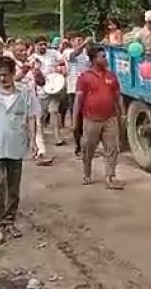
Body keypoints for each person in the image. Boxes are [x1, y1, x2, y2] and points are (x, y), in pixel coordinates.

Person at [0, 56, 41, 243]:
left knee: (13, 188)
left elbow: (31, 118)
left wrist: (34, 141)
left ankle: (9, 221)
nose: (2, 79)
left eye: (6, 75)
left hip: (16, 146)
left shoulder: (25, 92)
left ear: (13, 73)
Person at [73, 46, 125, 189]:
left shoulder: (111, 76)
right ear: (94, 59)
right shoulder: (84, 77)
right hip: (91, 119)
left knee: (112, 148)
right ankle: (87, 173)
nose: (105, 59)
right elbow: (78, 100)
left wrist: (122, 114)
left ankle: (110, 178)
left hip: (110, 118)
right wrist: (75, 121)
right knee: (88, 149)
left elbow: (117, 97)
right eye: (102, 56)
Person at [30, 36, 65, 146]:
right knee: (41, 114)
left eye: (44, 44)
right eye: (40, 44)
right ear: (35, 45)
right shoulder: (32, 58)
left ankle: (57, 137)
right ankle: (39, 136)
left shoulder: (53, 53)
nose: (43, 46)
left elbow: (63, 61)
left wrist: (59, 67)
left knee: (54, 111)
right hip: (41, 90)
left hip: (55, 87)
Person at [63, 34, 92, 155]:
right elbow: (74, 55)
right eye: (78, 40)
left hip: (88, 90)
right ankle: (78, 145)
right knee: (76, 122)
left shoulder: (86, 54)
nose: (80, 42)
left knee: (88, 120)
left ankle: (87, 146)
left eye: (81, 40)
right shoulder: (67, 52)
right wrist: (85, 43)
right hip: (74, 90)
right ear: (71, 42)